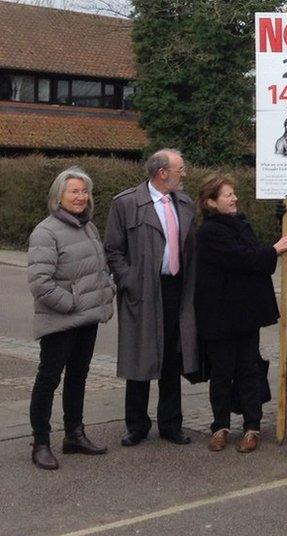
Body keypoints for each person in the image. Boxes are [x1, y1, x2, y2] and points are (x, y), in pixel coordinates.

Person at [104, 148, 199, 447]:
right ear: (162, 173)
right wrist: (129, 280)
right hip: (143, 291)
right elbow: (113, 249)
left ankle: (171, 424)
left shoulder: (185, 202)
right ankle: (137, 425)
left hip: (176, 289)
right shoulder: (127, 203)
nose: (184, 173)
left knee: (173, 357)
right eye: (180, 168)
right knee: (140, 357)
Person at [195, 175, 287, 453]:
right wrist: (273, 250)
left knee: (249, 369)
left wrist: (274, 238)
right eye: (227, 195)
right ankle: (220, 425)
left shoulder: (240, 224)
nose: (234, 198)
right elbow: (242, 259)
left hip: (245, 315)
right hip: (219, 316)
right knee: (222, 372)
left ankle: (252, 425)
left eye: (234, 193)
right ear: (211, 202)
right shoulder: (210, 232)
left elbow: (252, 256)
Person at [27, 167, 115, 470]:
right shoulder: (46, 231)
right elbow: (40, 282)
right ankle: (40, 442)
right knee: (49, 379)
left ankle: (74, 434)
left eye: (84, 191)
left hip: (86, 318)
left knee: (78, 377)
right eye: (74, 191)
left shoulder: (88, 227)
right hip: (60, 320)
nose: (81, 197)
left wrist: (107, 290)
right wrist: (72, 304)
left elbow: (99, 269)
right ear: (59, 196)